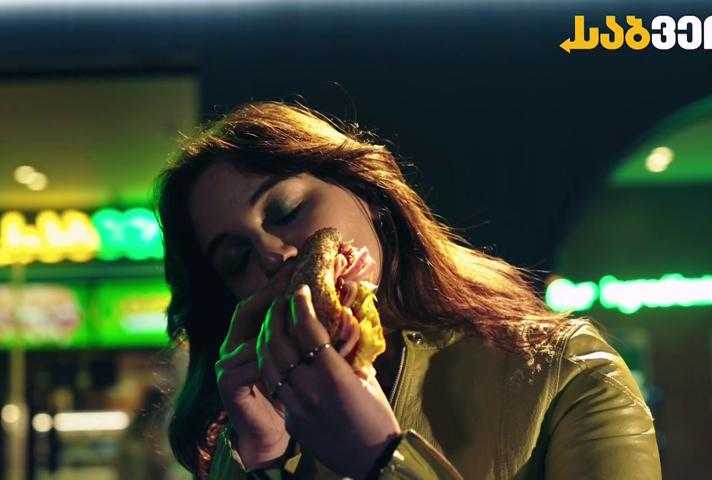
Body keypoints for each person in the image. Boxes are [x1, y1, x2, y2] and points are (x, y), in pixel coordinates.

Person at [154, 101, 662, 479]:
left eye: (286, 211)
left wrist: (381, 459)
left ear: (367, 195)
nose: (273, 254)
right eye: (236, 258)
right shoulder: (256, 437)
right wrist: (263, 460)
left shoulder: (567, 371)